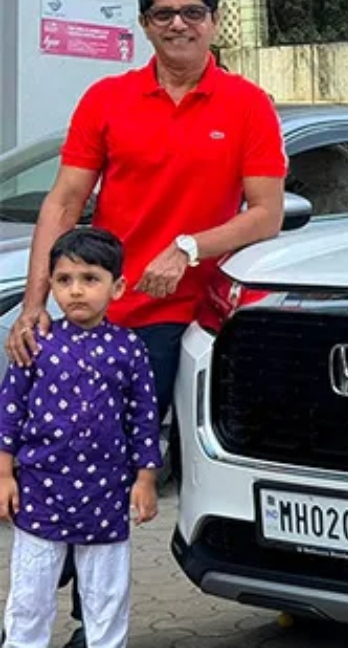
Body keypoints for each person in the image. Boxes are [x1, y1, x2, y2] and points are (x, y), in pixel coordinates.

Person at [3, 0, 287, 645]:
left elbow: (266, 213)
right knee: (63, 448)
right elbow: (64, 201)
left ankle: (87, 618)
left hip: (188, 316)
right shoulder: (108, 98)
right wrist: (34, 304)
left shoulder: (247, 104)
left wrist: (188, 247)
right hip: (101, 310)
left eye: (192, 12)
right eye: (163, 14)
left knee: (113, 458)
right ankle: (47, 595)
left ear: (214, 21)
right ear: (144, 24)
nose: (178, 24)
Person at [0, 227, 161, 648]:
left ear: (117, 287)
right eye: (64, 280)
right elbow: (9, 412)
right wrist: (4, 475)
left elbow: (144, 419)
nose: (75, 291)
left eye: (90, 279)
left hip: (105, 492)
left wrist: (145, 480)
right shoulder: (35, 343)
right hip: (40, 490)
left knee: (106, 597)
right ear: (51, 285)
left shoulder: (129, 348)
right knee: (30, 594)